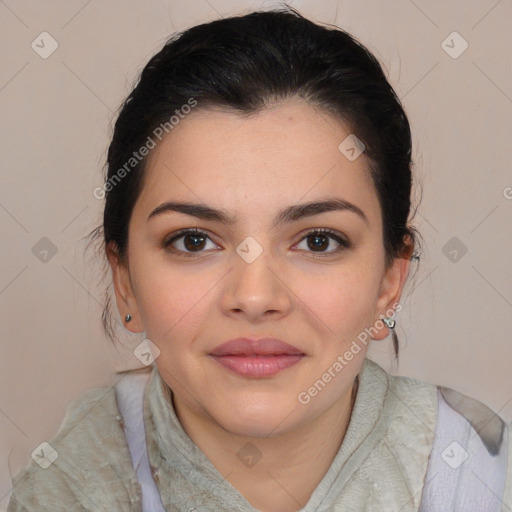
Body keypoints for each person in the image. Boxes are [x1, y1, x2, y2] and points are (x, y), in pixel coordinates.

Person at [7, 6, 511, 511]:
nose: (254, 297)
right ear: (125, 282)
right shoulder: (65, 486)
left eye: (318, 241)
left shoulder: (480, 476)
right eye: (193, 241)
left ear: (389, 280)